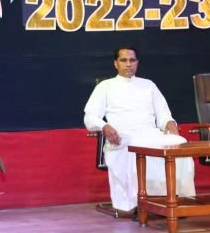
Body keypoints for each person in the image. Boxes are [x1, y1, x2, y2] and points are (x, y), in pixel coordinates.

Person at [83, 46, 195, 213]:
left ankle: (179, 199)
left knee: (179, 142)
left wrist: (169, 122)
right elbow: (90, 116)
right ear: (116, 63)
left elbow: (163, 113)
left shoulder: (148, 85)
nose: (128, 64)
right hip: (122, 138)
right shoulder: (105, 87)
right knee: (136, 144)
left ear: (137, 63)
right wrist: (104, 126)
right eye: (123, 60)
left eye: (132, 60)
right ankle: (138, 203)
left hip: (151, 134)